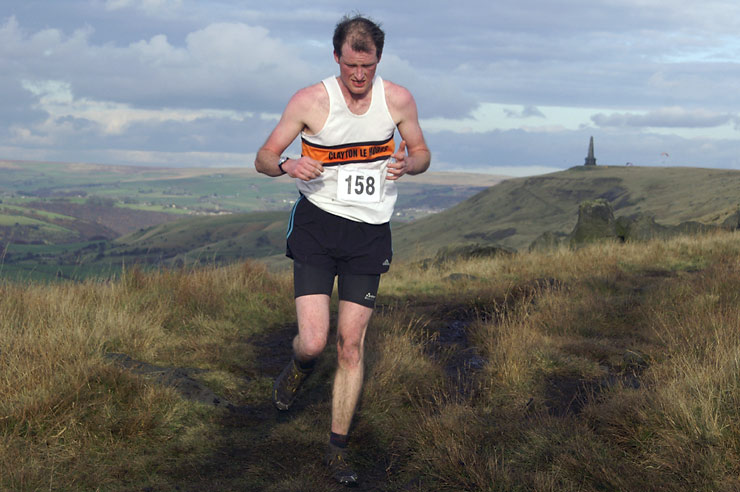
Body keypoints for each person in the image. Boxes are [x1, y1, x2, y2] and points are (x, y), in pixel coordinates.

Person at [254, 14, 431, 487]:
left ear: (379, 60)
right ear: (336, 57)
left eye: (367, 66)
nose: (359, 75)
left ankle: (336, 449)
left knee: (350, 344)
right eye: (351, 65)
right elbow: (263, 157)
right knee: (314, 341)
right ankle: (300, 365)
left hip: (369, 232)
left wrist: (409, 163)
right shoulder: (310, 101)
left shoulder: (398, 100)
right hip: (317, 225)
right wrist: (288, 165)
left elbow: (422, 153)